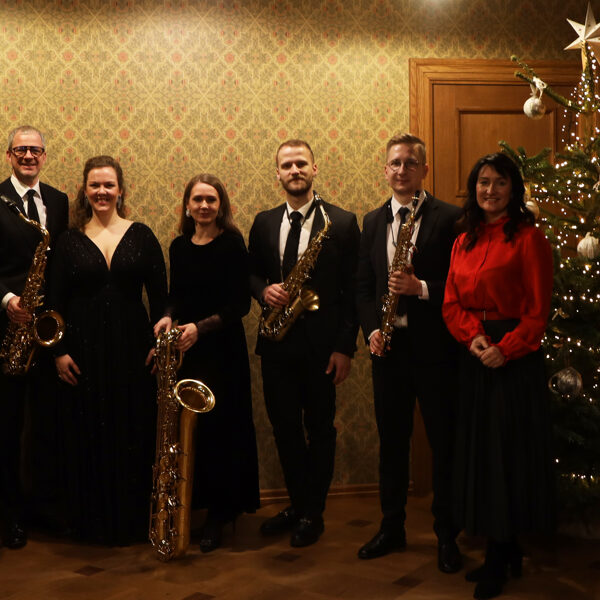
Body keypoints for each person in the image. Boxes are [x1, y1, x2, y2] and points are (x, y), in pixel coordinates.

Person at [443, 153, 555, 599]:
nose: (490, 190)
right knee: (480, 455)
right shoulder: (462, 240)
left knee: (506, 457)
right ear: (474, 188)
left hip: (515, 360)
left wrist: (505, 350)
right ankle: (504, 549)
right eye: (483, 182)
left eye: (500, 182)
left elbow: (538, 311)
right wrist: (474, 338)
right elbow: (451, 302)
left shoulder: (530, 238)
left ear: (514, 189)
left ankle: (500, 554)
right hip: (475, 355)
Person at [355, 133, 462, 573]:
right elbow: (364, 286)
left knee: (444, 444)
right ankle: (391, 526)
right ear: (385, 170)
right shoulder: (372, 221)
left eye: (410, 163)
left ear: (424, 170)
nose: (402, 170)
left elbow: (462, 283)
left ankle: (447, 536)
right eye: (395, 163)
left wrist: (420, 288)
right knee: (392, 444)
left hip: (436, 351)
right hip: (389, 351)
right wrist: (370, 332)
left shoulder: (450, 218)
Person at [48, 155, 167, 546]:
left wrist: (160, 339)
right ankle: (91, 522)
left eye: (108, 185)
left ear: (121, 190)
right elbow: (54, 304)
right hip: (82, 350)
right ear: (85, 190)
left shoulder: (142, 235)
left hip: (134, 348)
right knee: (85, 432)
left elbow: (162, 299)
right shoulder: (67, 241)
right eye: (95, 185)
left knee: (133, 428)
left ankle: (132, 522)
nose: (102, 191)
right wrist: (58, 352)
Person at [249, 139, 360, 547]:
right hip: (276, 344)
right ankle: (298, 504)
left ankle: (314, 512)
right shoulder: (263, 222)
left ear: (315, 169)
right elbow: (250, 273)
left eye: (301, 163)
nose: (294, 170)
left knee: (320, 429)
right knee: (284, 428)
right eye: (286, 165)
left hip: (322, 348)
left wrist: (344, 347)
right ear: (277, 173)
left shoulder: (342, 222)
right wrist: (264, 291)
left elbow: (353, 290)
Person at [154, 173, 260, 553]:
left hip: (222, 349)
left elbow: (240, 305)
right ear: (187, 205)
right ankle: (194, 509)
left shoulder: (232, 244)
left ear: (221, 206)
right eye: (197, 199)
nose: (203, 206)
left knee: (221, 431)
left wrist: (199, 328)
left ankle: (220, 514)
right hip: (188, 349)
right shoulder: (179, 246)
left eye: (211, 200)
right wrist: (167, 315)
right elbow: (176, 295)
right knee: (191, 430)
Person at [0, 125, 69, 550]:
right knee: (7, 428)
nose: (29, 156)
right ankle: (10, 514)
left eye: (36, 150)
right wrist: (7, 299)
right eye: (21, 150)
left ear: (45, 156)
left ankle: (45, 507)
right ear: (9, 155)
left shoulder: (58, 201)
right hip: (7, 327)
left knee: (48, 424)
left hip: (47, 330)